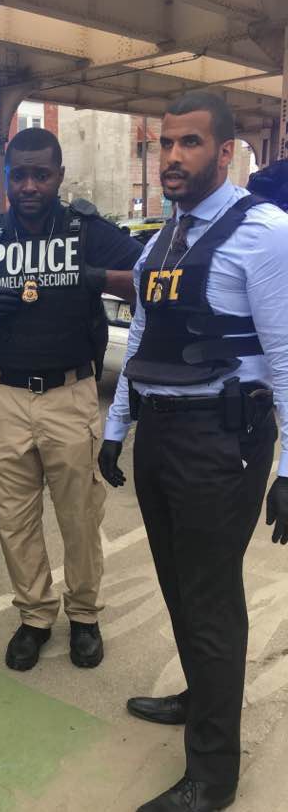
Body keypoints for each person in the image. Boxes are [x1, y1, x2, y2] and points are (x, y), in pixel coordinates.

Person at [99, 93, 288, 812]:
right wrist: (116, 426)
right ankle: (202, 696)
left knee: (210, 598)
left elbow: (286, 356)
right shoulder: (164, 238)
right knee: (179, 584)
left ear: (225, 151)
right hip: (161, 436)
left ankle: (212, 778)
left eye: (190, 143)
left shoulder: (265, 233)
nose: (173, 157)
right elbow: (144, 340)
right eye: (165, 143)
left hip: (222, 441)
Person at [0, 128, 143, 672]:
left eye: (40, 175)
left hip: (70, 394)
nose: (28, 186)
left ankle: (85, 615)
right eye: (18, 175)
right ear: (5, 178)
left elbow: (151, 279)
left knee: (80, 517)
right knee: (14, 518)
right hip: (4, 398)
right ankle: (36, 617)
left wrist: (96, 277)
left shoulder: (84, 231)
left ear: (59, 177)